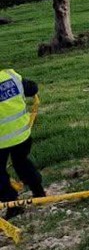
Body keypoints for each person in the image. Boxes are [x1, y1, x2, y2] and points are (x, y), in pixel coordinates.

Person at [0, 68, 44, 219]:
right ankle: (39, 192)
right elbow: (32, 88)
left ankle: (12, 205)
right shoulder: (10, 76)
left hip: (1, 141)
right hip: (22, 135)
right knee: (22, 163)